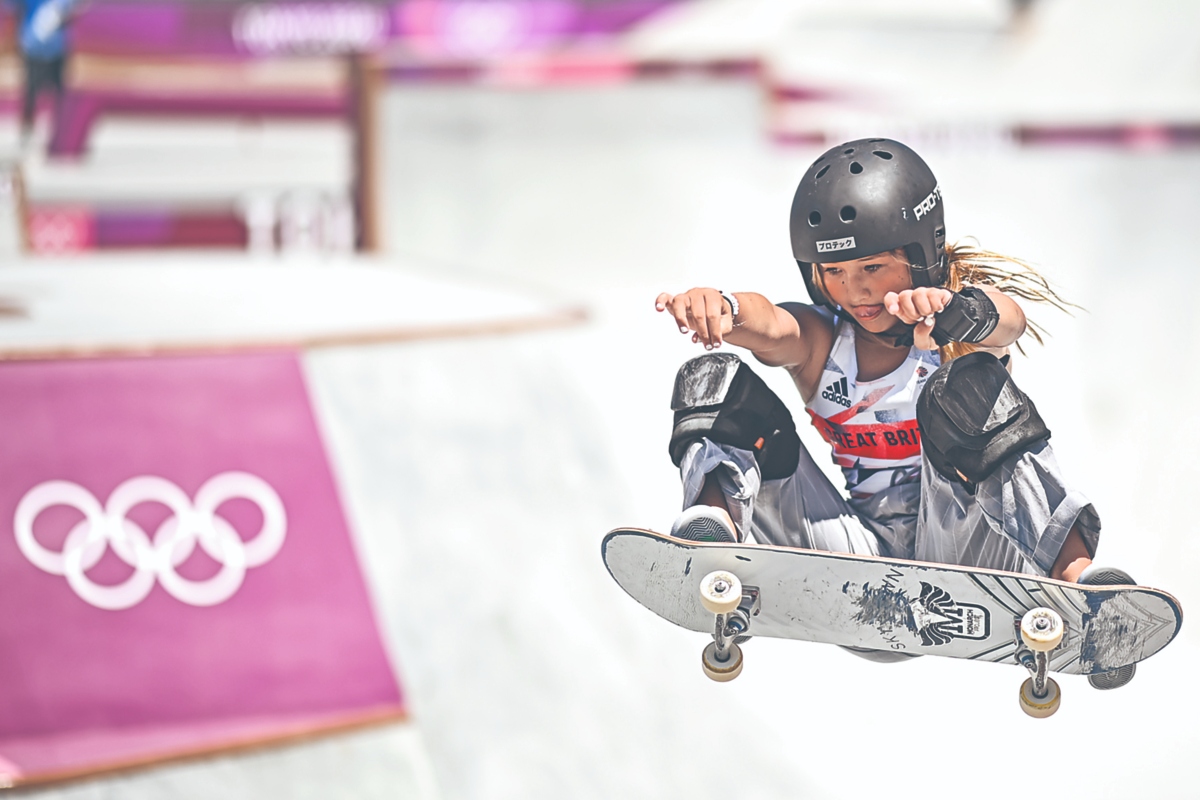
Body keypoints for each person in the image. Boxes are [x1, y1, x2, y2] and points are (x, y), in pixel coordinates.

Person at [655, 137, 1133, 687]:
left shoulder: (956, 333)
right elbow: (771, 323)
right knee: (709, 379)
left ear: (920, 255)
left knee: (966, 385)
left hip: (963, 553)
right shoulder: (820, 344)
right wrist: (728, 308)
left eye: (873, 267)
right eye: (833, 271)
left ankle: (1082, 585)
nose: (853, 289)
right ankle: (714, 540)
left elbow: (1009, 321)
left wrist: (962, 314)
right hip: (853, 559)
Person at [5, 0, 82, 150]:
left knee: (60, 94)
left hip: (56, 48)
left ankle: (60, 135)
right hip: (34, 47)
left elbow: (72, 12)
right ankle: (26, 134)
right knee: (31, 93)